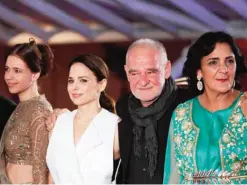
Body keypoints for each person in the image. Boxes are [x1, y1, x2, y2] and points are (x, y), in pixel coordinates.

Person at [163, 31, 247, 184]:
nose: (224, 69)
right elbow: (173, 176)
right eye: (213, 62)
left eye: (229, 61)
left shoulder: (246, 106)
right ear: (199, 72)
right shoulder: (181, 114)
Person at [46, 54, 120, 184]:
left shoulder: (114, 126)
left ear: (102, 84)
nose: (74, 87)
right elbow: (51, 177)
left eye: (83, 80)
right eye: (71, 80)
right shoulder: (59, 122)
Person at [0, 39, 54, 184]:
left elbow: (41, 168)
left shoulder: (39, 110)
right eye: (7, 69)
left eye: (17, 71)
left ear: (35, 74)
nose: (8, 76)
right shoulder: (20, 107)